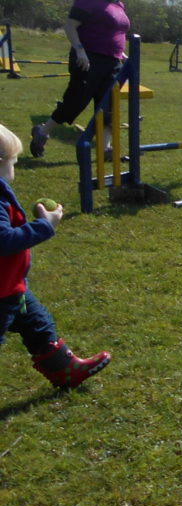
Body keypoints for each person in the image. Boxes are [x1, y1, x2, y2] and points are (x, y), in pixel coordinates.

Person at [0, 124, 111, 387]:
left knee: (38, 323)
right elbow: (3, 241)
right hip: (1, 291)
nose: (14, 169)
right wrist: (45, 226)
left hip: (12, 286)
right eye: (13, 163)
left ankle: (65, 369)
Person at [30, 0, 131, 159]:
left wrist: (122, 53)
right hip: (88, 59)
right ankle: (43, 131)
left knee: (109, 106)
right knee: (76, 101)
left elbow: (115, 33)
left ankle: (105, 149)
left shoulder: (119, 5)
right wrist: (79, 50)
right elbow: (70, 26)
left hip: (113, 62)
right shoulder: (88, 1)